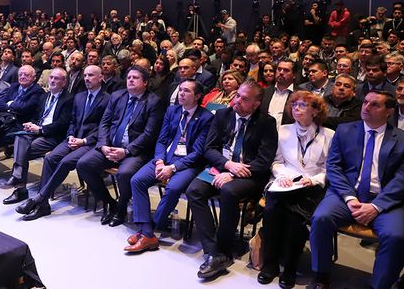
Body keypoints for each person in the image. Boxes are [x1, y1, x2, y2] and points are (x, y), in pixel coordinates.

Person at [309, 91, 404, 289]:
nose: (366, 107)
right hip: (346, 194)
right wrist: (349, 197)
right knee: (321, 218)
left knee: (396, 236)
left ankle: (380, 285)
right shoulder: (345, 130)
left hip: (383, 199)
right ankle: (321, 275)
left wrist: (376, 206)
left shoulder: (401, 139)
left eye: (375, 105)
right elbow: (333, 167)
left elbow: (402, 179)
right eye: (366, 102)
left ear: (389, 112)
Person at [186, 79, 278, 280]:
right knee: (194, 190)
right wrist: (227, 166)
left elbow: (264, 161)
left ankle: (225, 248)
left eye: (244, 99)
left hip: (250, 175)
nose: (237, 101)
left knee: (229, 191)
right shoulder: (222, 114)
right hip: (222, 167)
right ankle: (214, 251)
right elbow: (208, 149)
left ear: (255, 104)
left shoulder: (266, 122)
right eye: (237, 95)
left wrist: (234, 172)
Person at [125, 79, 213, 253]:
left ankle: (147, 230)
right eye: (180, 90)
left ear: (198, 96)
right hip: (165, 158)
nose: (181, 94)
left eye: (186, 91)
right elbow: (161, 139)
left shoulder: (206, 118)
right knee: (137, 180)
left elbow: (198, 152)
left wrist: (172, 168)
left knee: (172, 188)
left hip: (188, 164)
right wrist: (159, 161)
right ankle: (148, 233)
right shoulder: (172, 111)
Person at [258, 91, 334, 288]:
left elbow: (329, 168)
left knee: (295, 219)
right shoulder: (283, 130)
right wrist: (282, 176)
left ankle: (290, 267)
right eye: (294, 105)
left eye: (302, 105)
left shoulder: (329, 135)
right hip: (284, 182)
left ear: (316, 111)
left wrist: (314, 179)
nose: (296, 108)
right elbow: (276, 161)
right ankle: (270, 264)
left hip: (310, 186)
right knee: (271, 212)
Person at [15, 65, 111, 220]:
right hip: (74, 139)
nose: (87, 78)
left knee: (65, 161)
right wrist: (71, 136)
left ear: (101, 78)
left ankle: (39, 199)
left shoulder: (108, 99)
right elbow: (72, 121)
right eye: (85, 75)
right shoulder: (80, 96)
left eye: (91, 75)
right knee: (51, 158)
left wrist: (84, 140)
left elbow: (103, 127)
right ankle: (43, 204)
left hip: (90, 143)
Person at [76, 66, 165, 228]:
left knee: (124, 173)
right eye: (129, 77)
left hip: (135, 152)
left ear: (145, 82)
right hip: (110, 148)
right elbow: (104, 123)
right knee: (84, 164)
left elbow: (149, 134)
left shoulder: (154, 102)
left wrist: (126, 151)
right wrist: (103, 145)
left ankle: (121, 209)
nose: (130, 80)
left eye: (135, 78)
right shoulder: (118, 96)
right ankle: (110, 202)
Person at [3, 67, 73, 205]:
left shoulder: (69, 99)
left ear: (64, 83)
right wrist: (31, 124)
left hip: (53, 136)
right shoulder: (45, 96)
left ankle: (20, 187)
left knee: (23, 150)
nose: (52, 80)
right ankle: (19, 182)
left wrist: (41, 129)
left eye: (56, 78)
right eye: (51, 77)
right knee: (20, 137)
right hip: (37, 131)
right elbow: (38, 117)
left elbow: (63, 124)